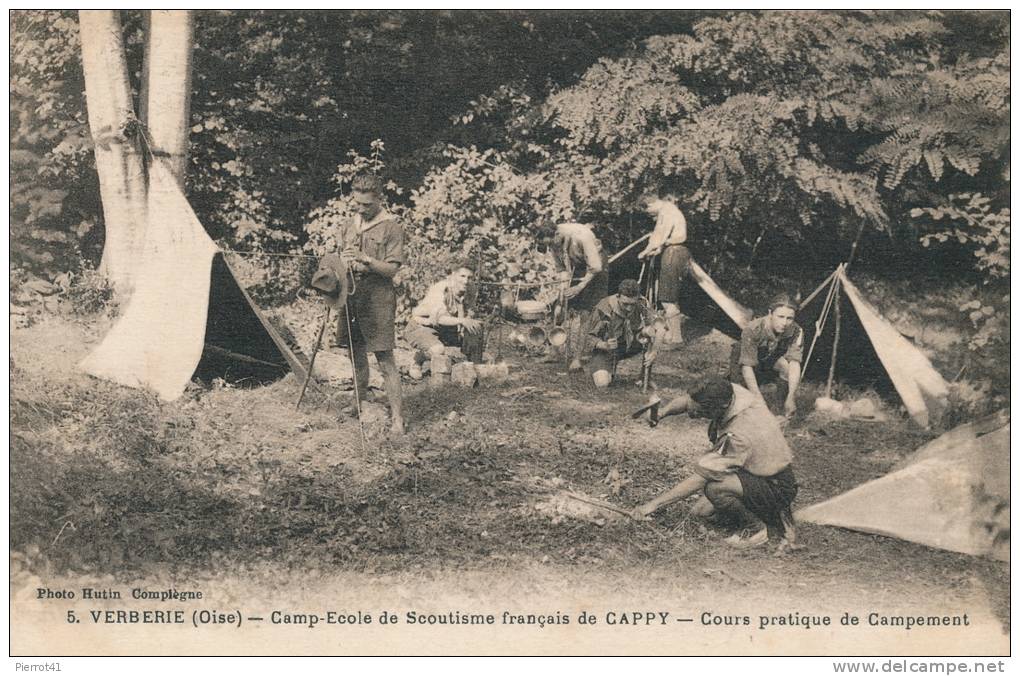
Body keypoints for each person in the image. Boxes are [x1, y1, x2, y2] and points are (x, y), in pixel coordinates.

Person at [630, 375, 798, 550]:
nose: (695, 413)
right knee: (701, 512)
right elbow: (690, 401)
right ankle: (764, 514)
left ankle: (756, 530)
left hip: (777, 484)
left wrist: (652, 505)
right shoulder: (731, 392)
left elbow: (702, 475)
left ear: (721, 406)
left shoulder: (738, 434)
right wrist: (662, 413)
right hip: (754, 469)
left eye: (702, 412)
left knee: (715, 489)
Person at [335, 174, 405, 435]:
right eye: (357, 204)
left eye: (366, 205)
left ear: (379, 199)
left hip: (378, 298)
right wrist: (342, 264)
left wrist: (365, 260)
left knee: (385, 358)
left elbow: (391, 270)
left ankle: (397, 418)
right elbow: (340, 258)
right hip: (351, 295)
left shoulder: (391, 227)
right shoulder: (348, 224)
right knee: (355, 353)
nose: (361, 209)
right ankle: (358, 403)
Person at [542, 222, 610, 369]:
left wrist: (579, 287)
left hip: (597, 265)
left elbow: (595, 267)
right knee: (558, 310)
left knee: (587, 313)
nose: (551, 248)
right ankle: (554, 352)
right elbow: (563, 271)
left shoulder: (581, 236)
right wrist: (561, 297)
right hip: (579, 266)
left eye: (551, 244)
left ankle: (578, 359)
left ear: (557, 235)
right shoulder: (554, 244)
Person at [729, 293, 803, 418]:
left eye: (789, 318)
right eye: (780, 316)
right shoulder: (753, 328)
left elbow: (795, 363)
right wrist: (759, 400)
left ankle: (779, 408)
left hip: (769, 357)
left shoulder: (796, 331)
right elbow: (747, 366)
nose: (784, 323)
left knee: (786, 367)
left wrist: (791, 397)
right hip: (743, 360)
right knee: (740, 398)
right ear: (770, 313)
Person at [404, 259, 484, 363]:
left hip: (446, 329)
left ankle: (472, 368)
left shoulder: (470, 288)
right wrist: (462, 321)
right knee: (438, 350)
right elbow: (439, 319)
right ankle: (419, 358)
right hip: (422, 326)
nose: (466, 281)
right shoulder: (441, 288)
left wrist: (469, 321)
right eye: (462, 276)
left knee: (475, 330)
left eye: (469, 277)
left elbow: (470, 311)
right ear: (454, 275)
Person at [637, 194, 690, 345]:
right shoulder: (668, 209)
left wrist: (644, 252)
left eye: (648, 212)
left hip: (674, 253)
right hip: (673, 251)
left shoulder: (666, 211)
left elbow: (658, 237)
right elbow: (666, 239)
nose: (650, 215)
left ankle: (676, 339)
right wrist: (657, 250)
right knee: (670, 298)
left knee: (667, 299)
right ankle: (671, 336)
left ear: (650, 204)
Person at [586, 279, 651, 389]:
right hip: (606, 349)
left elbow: (659, 327)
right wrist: (604, 345)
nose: (629, 308)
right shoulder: (604, 308)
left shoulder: (642, 303)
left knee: (649, 335)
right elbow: (588, 337)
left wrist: (653, 352)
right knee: (602, 383)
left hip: (629, 344)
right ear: (618, 297)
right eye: (625, 304)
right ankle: (601, 367)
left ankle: (645, 377)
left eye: (632, 304)